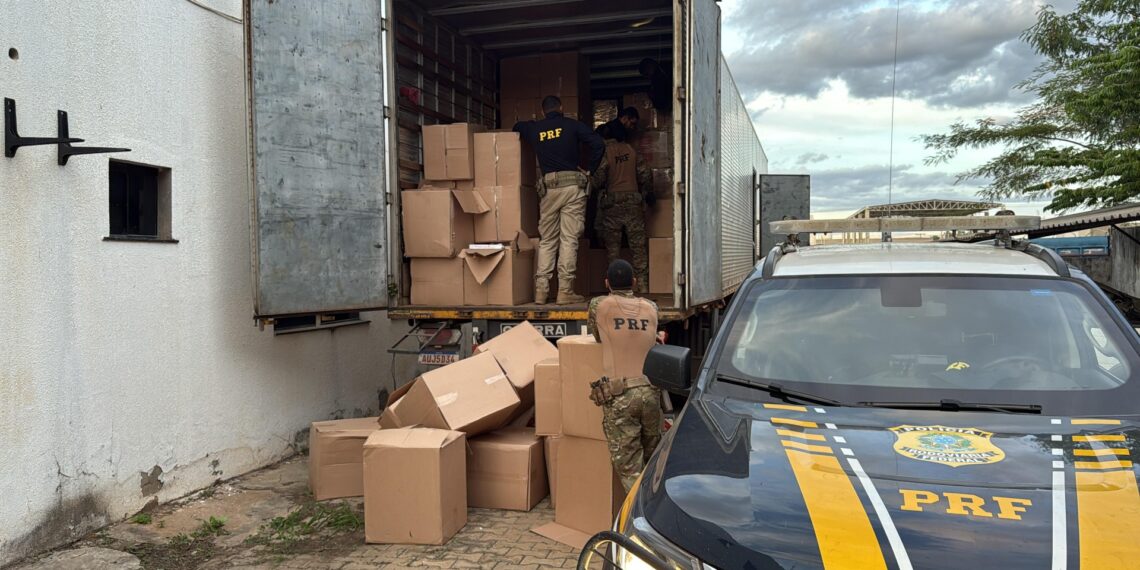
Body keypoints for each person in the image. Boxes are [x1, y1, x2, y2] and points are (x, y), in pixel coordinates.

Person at [514, 95, 605, 305]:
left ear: (543, 111)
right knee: (568, 239)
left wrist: (530, 125)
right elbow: (598, 144)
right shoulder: (572, 126)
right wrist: (590, 169)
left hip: (548, 189)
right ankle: (565, 291)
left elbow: (516, 126)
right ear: (562, 108)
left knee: (547, 240)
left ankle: (541, 291)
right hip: (572, 187)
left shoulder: (535, 129)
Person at [587, 260, 662, 492]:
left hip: (620, 396)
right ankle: (655, 500)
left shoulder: (599, 304)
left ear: (606, 283)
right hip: (651, 392)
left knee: (630, 467)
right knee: (652, 460)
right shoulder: (651, 307)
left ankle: (639, 517)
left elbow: (598, 336)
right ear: (634, 282)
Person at [591, 123, 653, 292]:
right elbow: (645, 175)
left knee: (613, 250)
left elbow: (598, 179)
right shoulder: (633, 151)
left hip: (612, 205)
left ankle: (615, 288)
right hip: (633, 203)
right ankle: (643, 286)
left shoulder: (606, 153)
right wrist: (648, 193)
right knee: (638, 247)